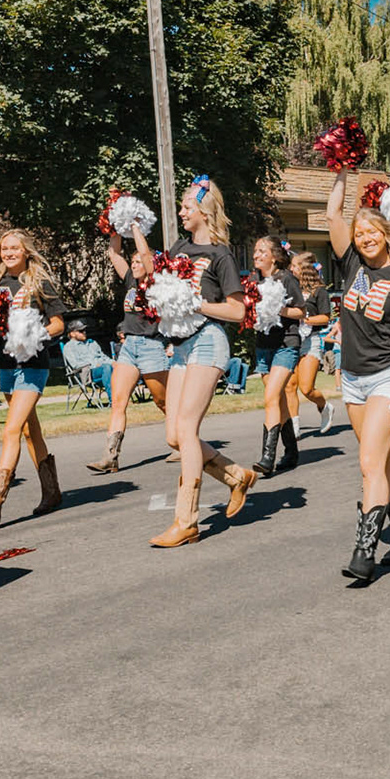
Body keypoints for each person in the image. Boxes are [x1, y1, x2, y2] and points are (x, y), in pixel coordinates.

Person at [326, 168, 390, 581]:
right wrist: (341, 172)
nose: (364, 238)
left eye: (372, 232)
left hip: (388, 377)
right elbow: (334, 215)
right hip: (352, 380)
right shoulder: (352, 264)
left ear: (386, 234)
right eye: (359, 233)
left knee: (368, 463)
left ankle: (364, 551)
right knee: (382, 464)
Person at [146, 177, 257, 547]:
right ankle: (235, 477)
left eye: (186, 207)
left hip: (208, 341)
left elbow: (238, 310)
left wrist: (196, 304)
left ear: (204, 212)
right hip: (179, 346)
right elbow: (154, 273)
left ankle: (186, 520)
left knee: (188, 430)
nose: (181, 211)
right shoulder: (179, 247)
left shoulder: (222, 255)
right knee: (174, 436)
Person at [0, 230, 67, 525]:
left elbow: (59, 323)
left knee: (10, 429)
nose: (8, 252)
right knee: (28, 429)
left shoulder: (38, 282)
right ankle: (52, 491)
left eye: (14, 248)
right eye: (4, 248)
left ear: (26, 252)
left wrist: (36, 335)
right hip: (6, 364)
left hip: (34, 363)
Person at [88, 218, 172, 474]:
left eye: (138, 262)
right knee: (118, 402)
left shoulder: (157, 283)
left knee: (163, 401)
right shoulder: (130, 282)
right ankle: (110, 456)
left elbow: (145, 254)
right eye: (132, 262)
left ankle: (183, 440)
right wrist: (114, 221)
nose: (134, 265)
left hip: (152, 346)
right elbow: (113, 253)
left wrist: (135, 225)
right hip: (129, 347)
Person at [248, 237, 306, 473]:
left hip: (286, 343)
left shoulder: (287, 279)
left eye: (262, 251)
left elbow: (301, 312)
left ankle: (267, 457)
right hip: (263, 346)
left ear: (274, 256)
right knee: (279, 401)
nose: (256, 255)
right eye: (255, 251)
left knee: (271, 397)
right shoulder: (254, 281)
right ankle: (291, 452)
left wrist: (277, 309)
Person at [288, 251, 335, 435]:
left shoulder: (319, 291)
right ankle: (294, 427)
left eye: (294, 266)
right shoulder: (292, 289)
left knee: (306, 388)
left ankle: (325, 406)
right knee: (289, 386)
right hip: (292, 339)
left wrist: (304, 319)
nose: (291, 269)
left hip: (310, 340)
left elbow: (325, 317)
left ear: (304, 269)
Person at [61, 323, 115, 400]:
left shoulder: (92, 343)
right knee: (106, 368)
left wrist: (114, 363)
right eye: (81, 331)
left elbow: (103, 357)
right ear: (72, 334)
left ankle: (127, 397)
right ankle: (114, 400)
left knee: (120, 366)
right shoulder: (69, 347)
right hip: (87, 374)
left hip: (104, 368)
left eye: (85, 330)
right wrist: (95, 365)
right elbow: (75, 365)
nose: (84, 332)